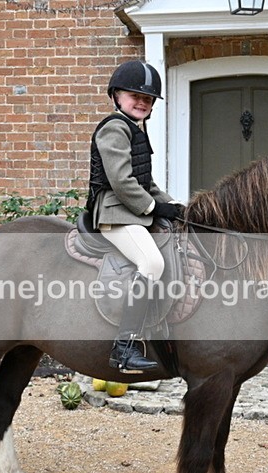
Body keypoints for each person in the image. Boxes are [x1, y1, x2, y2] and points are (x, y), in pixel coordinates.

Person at [87, 60, 184, 374]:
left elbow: (146, 183)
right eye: (134, 95)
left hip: (132, 209)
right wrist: (155, 209)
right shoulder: (114, 127)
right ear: (116, 96)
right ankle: (125, 348)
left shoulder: (135, 130)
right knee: (152, 264)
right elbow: (122, 182)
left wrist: (177, 207)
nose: (142, 101)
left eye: (148, 98)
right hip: (115, 212)